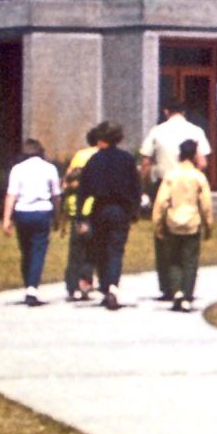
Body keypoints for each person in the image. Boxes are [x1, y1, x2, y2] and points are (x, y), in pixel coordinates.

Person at [72, 121, 144, 308]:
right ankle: (113, 286)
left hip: (100, 209)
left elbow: (83, 191)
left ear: (101, 138)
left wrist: (81, 217)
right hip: (120, 210)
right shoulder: (127, 160)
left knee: (101, 249)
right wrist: (134, 210)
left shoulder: (94, 160)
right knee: (116, 250)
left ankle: (105, 286)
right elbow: (136, 188)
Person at [149, 138, 213, 312]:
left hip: (173, 222)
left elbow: (161, 201)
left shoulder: (171, 176)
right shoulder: (199, 177)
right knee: (190, 261)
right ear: (194, 156)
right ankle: (186, 295)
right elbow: (206, 204)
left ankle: (176, 290)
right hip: (192, 222)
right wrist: (208, 225)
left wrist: (157, 224)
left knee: (174, 260)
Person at [0, 138, 62, 305]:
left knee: (25, 251)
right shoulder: (50, 169)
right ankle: (32, 287)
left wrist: (6, 219)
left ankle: (28, 284)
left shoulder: (17, 169)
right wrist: (57, 217)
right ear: (41, 152)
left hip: (23, 213)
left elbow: (11, 195)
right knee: (38, 251)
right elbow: (56, 195)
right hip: (42, 211)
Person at [59, 123, 105, 301]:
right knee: (92, 248)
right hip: (94, 207)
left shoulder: (79, 155)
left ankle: (72, 285)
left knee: (76, 248)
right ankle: (86, 281)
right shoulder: (100, 156)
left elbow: (68, 179)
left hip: (75, 206)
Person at [140, 102, 212, 182]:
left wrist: (143, 184)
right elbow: (202, 163)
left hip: (163, 182)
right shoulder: (196, 131)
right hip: (188, 183)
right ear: (183, 112)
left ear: (166, 112)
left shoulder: (156, 131)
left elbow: (145, 162)